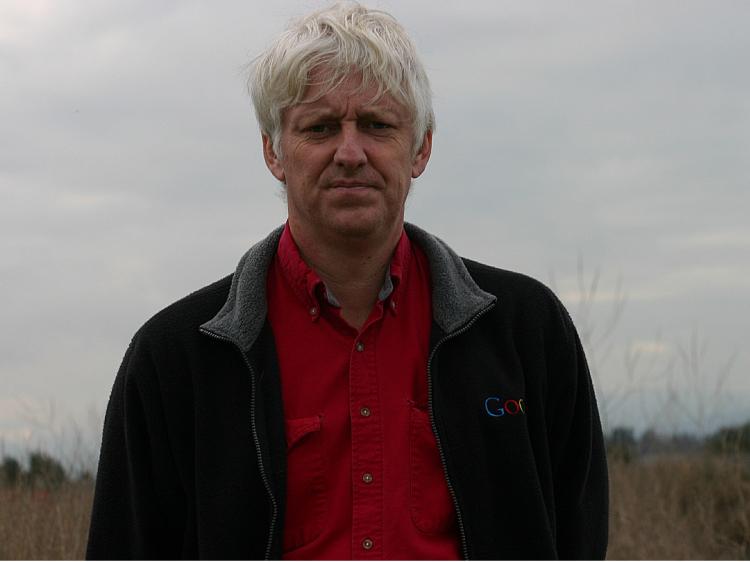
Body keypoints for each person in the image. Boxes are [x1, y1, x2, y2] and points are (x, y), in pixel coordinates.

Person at [86, 2, 608, 560]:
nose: (351, 153)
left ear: (421, 148)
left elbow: (578, 535)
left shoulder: (527, 333)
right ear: (273, 151)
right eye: (321, 127)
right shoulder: (174, 361)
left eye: (378, 125)